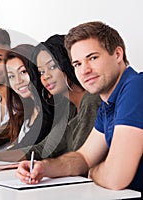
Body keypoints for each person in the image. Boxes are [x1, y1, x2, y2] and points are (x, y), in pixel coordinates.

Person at [16, 21, 143, 195]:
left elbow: (116, 178)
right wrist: (44, 167)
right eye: (77, 64)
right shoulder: (108, 103)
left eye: (93, 58)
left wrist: (93, 171)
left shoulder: (136, 87)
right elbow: (83, 157)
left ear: (118, 54)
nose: (85, 70)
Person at [0, 35, 101, 165]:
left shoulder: (91, 100)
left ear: (67, 63)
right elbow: (42, 149)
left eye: (52, 67)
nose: (46, 76)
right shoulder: (69, 107)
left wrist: (46, 168)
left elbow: (83, 160)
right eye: (41, 71)